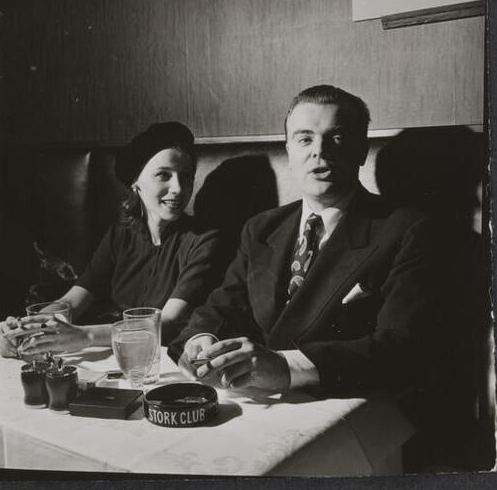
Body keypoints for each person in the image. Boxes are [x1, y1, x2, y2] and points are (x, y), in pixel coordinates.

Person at [169, 85, 441, 402]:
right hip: (262, 401)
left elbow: (401, 346)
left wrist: (285, 366)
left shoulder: (408, 229)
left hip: (352, 405)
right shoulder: (261, 228)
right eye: (305, 139)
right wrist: (201, 340)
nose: (319, 152)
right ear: (289, 151)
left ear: (362, 151)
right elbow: (221, 307)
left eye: (337, 137)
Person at [0, 121, 227, 357]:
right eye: (163, 175)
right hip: (113, 358)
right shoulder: (120, 235)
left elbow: (167, 324)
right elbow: (71, 303)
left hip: (163, 360)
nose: (178, 188)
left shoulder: (205, 240)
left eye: (186, 176)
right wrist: (24, 328)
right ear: (135, 183)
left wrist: (85, 336)